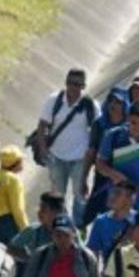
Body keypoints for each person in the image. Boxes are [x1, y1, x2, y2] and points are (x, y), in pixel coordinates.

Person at [35, 68, 97, 224]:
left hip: (80, 158)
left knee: (79, 194)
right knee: (57, 196)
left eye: (77, 84)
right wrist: (43, 149)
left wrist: (93, 155)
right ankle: (59, 225)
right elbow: (42, 125)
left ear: (83, 86)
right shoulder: (54, 100)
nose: (73, 87)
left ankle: (78, 227)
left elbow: (98, 131)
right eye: (70, 83)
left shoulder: (91, 105)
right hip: (56, 156)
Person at [0, 146, 29, 243]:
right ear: (16, 163)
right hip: (9, 223)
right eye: (21, 160)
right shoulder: (13, 179)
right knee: (21, 254)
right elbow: (18, 209)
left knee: (0, 255)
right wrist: (26, 231)